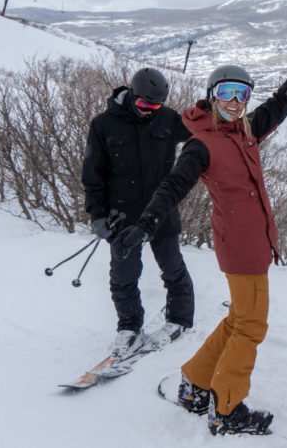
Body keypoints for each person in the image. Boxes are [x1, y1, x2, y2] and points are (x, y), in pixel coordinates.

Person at [113, 27, 287, 436]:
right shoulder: (203, 144)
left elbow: (280, 104)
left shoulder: (244, 130)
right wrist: (146, 223)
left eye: (242, 94)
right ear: (211, 95)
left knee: (238, 320)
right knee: (251, 326)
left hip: (252, 246)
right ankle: (226, 408)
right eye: (226, 93)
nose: (234, 102)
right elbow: (173, 185)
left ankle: (194, 383)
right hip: (242, 251)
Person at [82, 67, 194, 358]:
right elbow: (93, 175)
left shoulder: (167, 119)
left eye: (156, 106)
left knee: (172, 267)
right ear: (132, 95)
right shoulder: (103, 125)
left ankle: (179, 319)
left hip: (161, 210)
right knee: (123, 275)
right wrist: (98, 215)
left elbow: (200, 130)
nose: (149, 112)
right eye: (145, 105)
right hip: (123, 215)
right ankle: (129, 328)